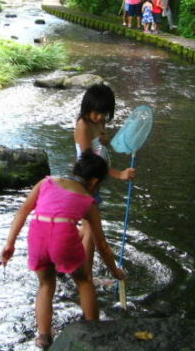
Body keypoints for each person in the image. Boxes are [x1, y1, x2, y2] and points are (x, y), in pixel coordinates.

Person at [0, 151, 126, 350]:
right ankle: (94, 331)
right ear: (94, 182)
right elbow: (102, 245)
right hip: (63, 240)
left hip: (38, 237)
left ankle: (43, 337)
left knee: (45, 286)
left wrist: (10, 244)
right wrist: (115, 271)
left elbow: (22, 211)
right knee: (84, 281)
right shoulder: (88, 201)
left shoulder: (46, 183)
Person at [74, 84, 135, 281]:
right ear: (87, 107)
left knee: (86, 229)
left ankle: (62, 251)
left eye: (104, 114)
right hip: (86, 184)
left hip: (96, 183)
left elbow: (99, 144)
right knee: (91, 233)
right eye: (96, 113)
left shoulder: (99, 123)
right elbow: (89, 163)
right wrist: (119, 175)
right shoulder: (83, 126)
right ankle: (87, 276)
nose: (100, 118)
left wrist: (106, 140)